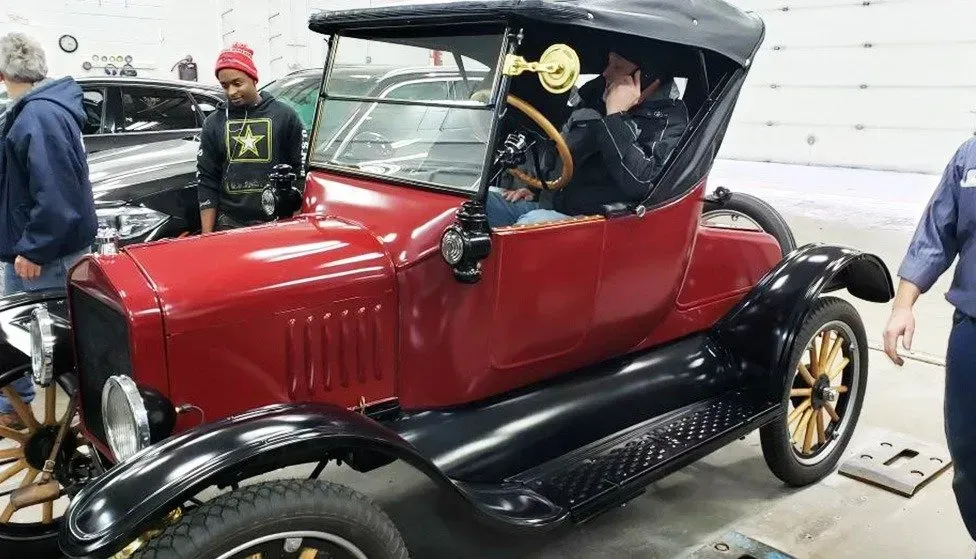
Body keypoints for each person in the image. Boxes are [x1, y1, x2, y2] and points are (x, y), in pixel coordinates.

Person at [0, 33, 97, 429]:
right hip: (38, 247)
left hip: (46, 254)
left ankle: (92, 427)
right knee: (29, 335)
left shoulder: (39, 116)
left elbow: (56, 194)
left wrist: (35, 248)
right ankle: (16, 406)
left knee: (58, 344)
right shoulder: (38, 110)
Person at [883, 136, 976, 545]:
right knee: (968, 450)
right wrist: (903, 306)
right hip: (972, 328)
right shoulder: (969, 156)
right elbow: (936, 233)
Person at [486, 50, 688, 228]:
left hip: (599, 227)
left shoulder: (670, 121)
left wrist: (615, 117)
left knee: (526, 227)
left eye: (617, 66)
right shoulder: (592, 103)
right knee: (474, 204)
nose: (606, 73)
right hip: (554, 209)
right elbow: (565, 158)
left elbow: (640, 181)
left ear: (645, 76)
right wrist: (538, 192)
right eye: (608, 63)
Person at [197, 42, 305, 233]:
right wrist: (207, 235)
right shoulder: (214, 123)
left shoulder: (285, 116)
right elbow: (207, 179)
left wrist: (295, 223)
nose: (231, 92)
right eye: (225, 86)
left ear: (254, 79)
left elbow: (301, 172)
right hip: (230, 223)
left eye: (238, 83)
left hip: (278, 224)